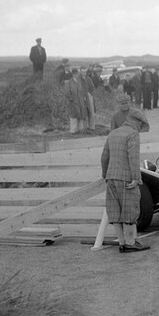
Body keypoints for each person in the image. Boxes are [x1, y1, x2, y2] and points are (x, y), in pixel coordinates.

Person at [101, 109, 151, 253]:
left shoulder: (113, 133)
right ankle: (130, 243)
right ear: (138, 123)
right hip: (126, 179)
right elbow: (133, 158)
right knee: (130, 210)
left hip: (111, 177)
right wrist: (136, 178)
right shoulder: (132, 134)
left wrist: (106, 174)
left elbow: (104, 157)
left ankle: (122, 243)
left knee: (115, 211)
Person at [64, 67, 90, 134]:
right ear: (72, 74)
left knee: (81, 115)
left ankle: (80, 129)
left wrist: (84, 98)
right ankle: (73, 131)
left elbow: (83, 90)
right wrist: (71, 99)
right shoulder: (69, 83)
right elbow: (67, 93)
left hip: (80, 101)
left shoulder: (79, 82)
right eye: (74, 73)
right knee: (73, 116)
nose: (76, 75)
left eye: (76, 73)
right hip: (73, 102)